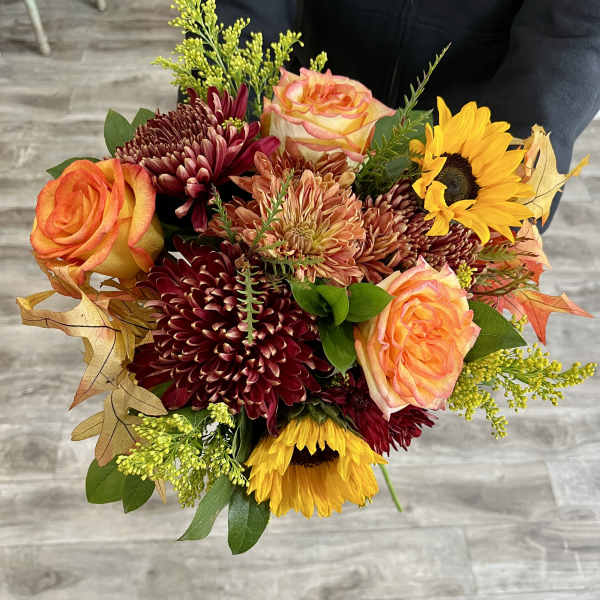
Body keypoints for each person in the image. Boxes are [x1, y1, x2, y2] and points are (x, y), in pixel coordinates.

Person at [212, 0, 600, 231]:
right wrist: (230, 143)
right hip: (302, 117)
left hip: (469, 142)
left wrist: (504, 190)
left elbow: (570, 36)